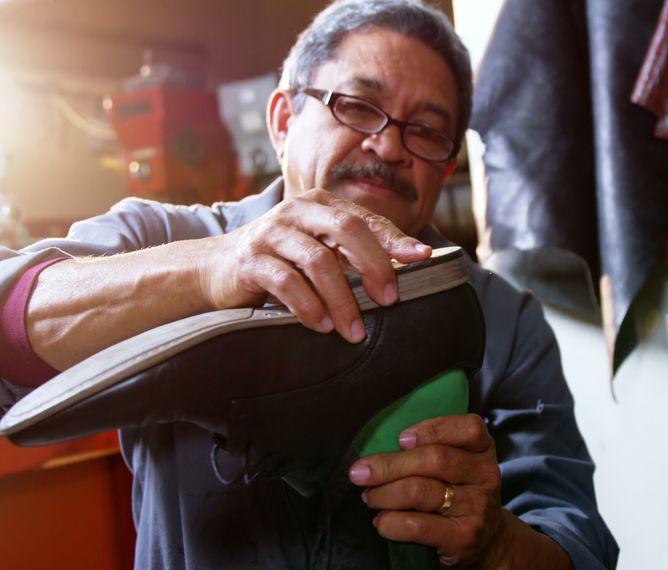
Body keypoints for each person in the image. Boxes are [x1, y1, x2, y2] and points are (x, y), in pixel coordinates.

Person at [0, 1, 618, 568]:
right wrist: (212, 270)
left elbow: (578, 544)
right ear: (283, 119)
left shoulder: (503, 319)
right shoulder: (159, 238)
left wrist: (498, 544)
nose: (387, 144)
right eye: (356, 104)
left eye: (427, 130)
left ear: (448, 166)